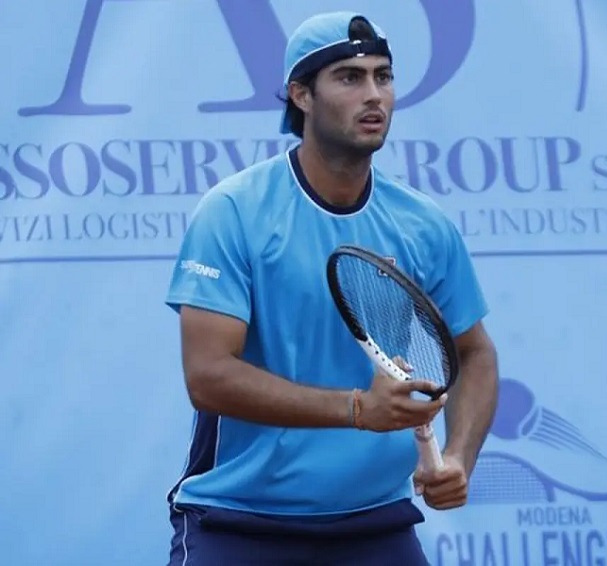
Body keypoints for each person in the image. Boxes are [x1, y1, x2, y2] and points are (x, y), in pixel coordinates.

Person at [164, 11, 498, 566]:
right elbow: (208, 376)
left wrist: (459, 456)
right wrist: (356, 409)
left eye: (383, 76)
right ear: (301, 95)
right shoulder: (233, 212)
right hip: (239, 523)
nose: (374, 95)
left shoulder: (423, 224)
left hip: (377, 525)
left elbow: (475, 353)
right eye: (349, 77)